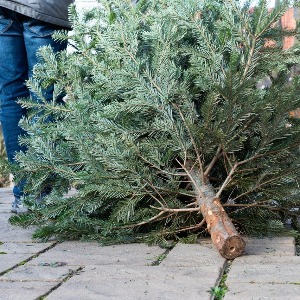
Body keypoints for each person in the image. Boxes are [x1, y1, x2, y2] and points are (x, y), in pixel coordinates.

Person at [0, 0, 74, 213]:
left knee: (11, 97)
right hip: (44, 8)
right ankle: (41, 194)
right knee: (46, 98)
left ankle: (23, 195)